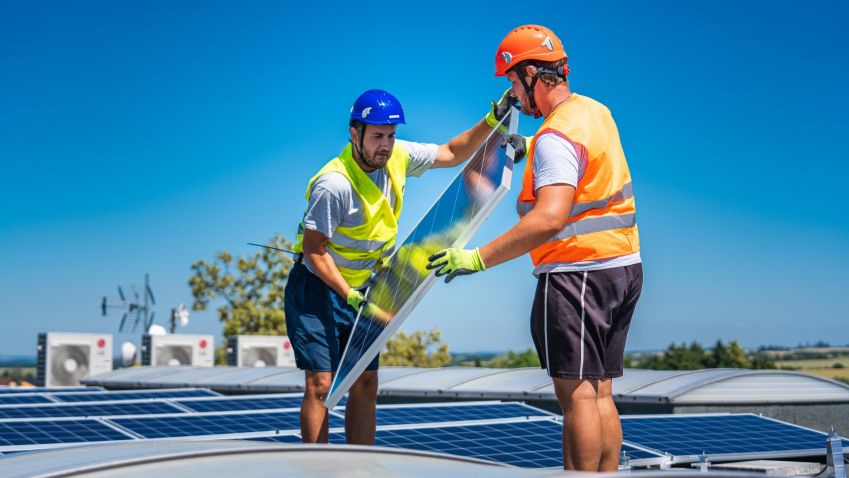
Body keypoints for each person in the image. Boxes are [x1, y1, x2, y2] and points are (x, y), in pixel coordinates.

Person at [427, 25, 642, 471]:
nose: (512, 94)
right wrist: (527, 145)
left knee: (576, 393)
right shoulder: (592, 111)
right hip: (621, 268)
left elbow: (550, 217)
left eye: (511, 81)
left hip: (576, 273)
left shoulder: (554, 138)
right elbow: (587, 163)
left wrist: (476, 258)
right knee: (600, 389)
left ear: (530, 75)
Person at [284, 89, 515, 445]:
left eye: (391, 135)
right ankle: (317, 467)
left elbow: (452, 153)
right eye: (378, 135)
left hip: (363, 288)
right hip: (318, 288)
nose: (386, 145)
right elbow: (315, 251)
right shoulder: (334, 185)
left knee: (365, 380)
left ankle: (358, 469)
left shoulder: (399, 156)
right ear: (354, 133)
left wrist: (492, 121)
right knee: (322, 386)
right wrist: (347, 294)